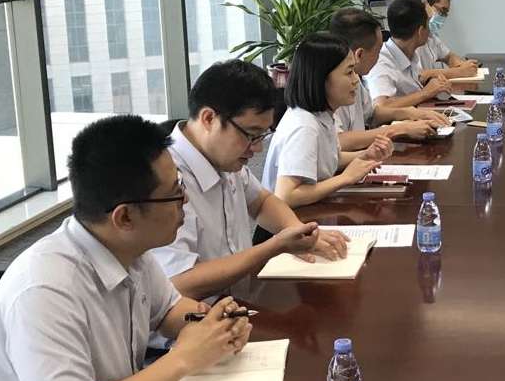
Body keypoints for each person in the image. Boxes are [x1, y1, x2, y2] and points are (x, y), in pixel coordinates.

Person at [0, 115, 255, 381]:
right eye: (175, 193)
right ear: (124, 217)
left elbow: (170, 310)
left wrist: (216, 323)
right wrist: (184, 359)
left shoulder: (129, 251)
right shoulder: (44, 289)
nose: (185, 200)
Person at [151, 60, 354, 302]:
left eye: (262, 136)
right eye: (251, 135)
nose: (257, 148)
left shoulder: (224, 156)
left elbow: (262, 201)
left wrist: (299, 233)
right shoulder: (163, 179)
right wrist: (273, 247)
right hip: (197, 319)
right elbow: (179, 283)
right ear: (209, 118)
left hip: (240, 302)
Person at [263, 33, 394, 208]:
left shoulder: (322, 115)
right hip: (291, 221)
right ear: (321, 78)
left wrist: (364, 155)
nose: (356, 80)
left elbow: (329, 159)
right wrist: (345, 178)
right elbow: (286, 195)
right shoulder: (304, 127)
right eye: (349, 72)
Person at [327, 6, 450, 148]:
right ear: (359, 54)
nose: (380, 55)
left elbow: (372, 115)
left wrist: (411, 113)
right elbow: (338, 141)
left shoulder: (354, 77)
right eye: (379, 49)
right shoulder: (327, 85)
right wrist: (400, 129)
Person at [368, 0, 456, 110]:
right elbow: (381, 106)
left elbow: (408, 85)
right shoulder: (381, 63)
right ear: (420, 31)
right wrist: (426, 92)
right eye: (427, 24)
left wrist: (431, 82)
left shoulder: (408, 53)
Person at [410, 0, 478, 80]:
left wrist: (464, 65)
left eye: (445, 14)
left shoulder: (430, 34)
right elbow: (417, 75)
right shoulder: (410, 34)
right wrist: (459, 72)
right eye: (442, 11)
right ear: (425, 4)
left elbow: (448, 57)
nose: (443, 17)